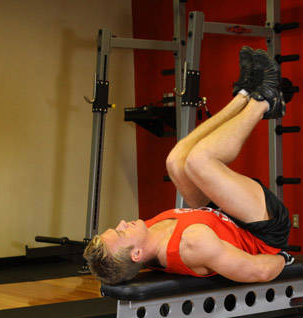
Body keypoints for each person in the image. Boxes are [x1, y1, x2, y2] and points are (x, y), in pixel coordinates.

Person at [83, 47, 292, 285]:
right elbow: (259, 272)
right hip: (261, 232)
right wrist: (283, 258)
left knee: (175, 161)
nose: (122, 223)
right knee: (199, 160)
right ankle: (264, 102)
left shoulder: (147, 233)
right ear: (136, 254)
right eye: (121, 232)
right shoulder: (192, 244)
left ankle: (243, 96)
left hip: (221, 218)